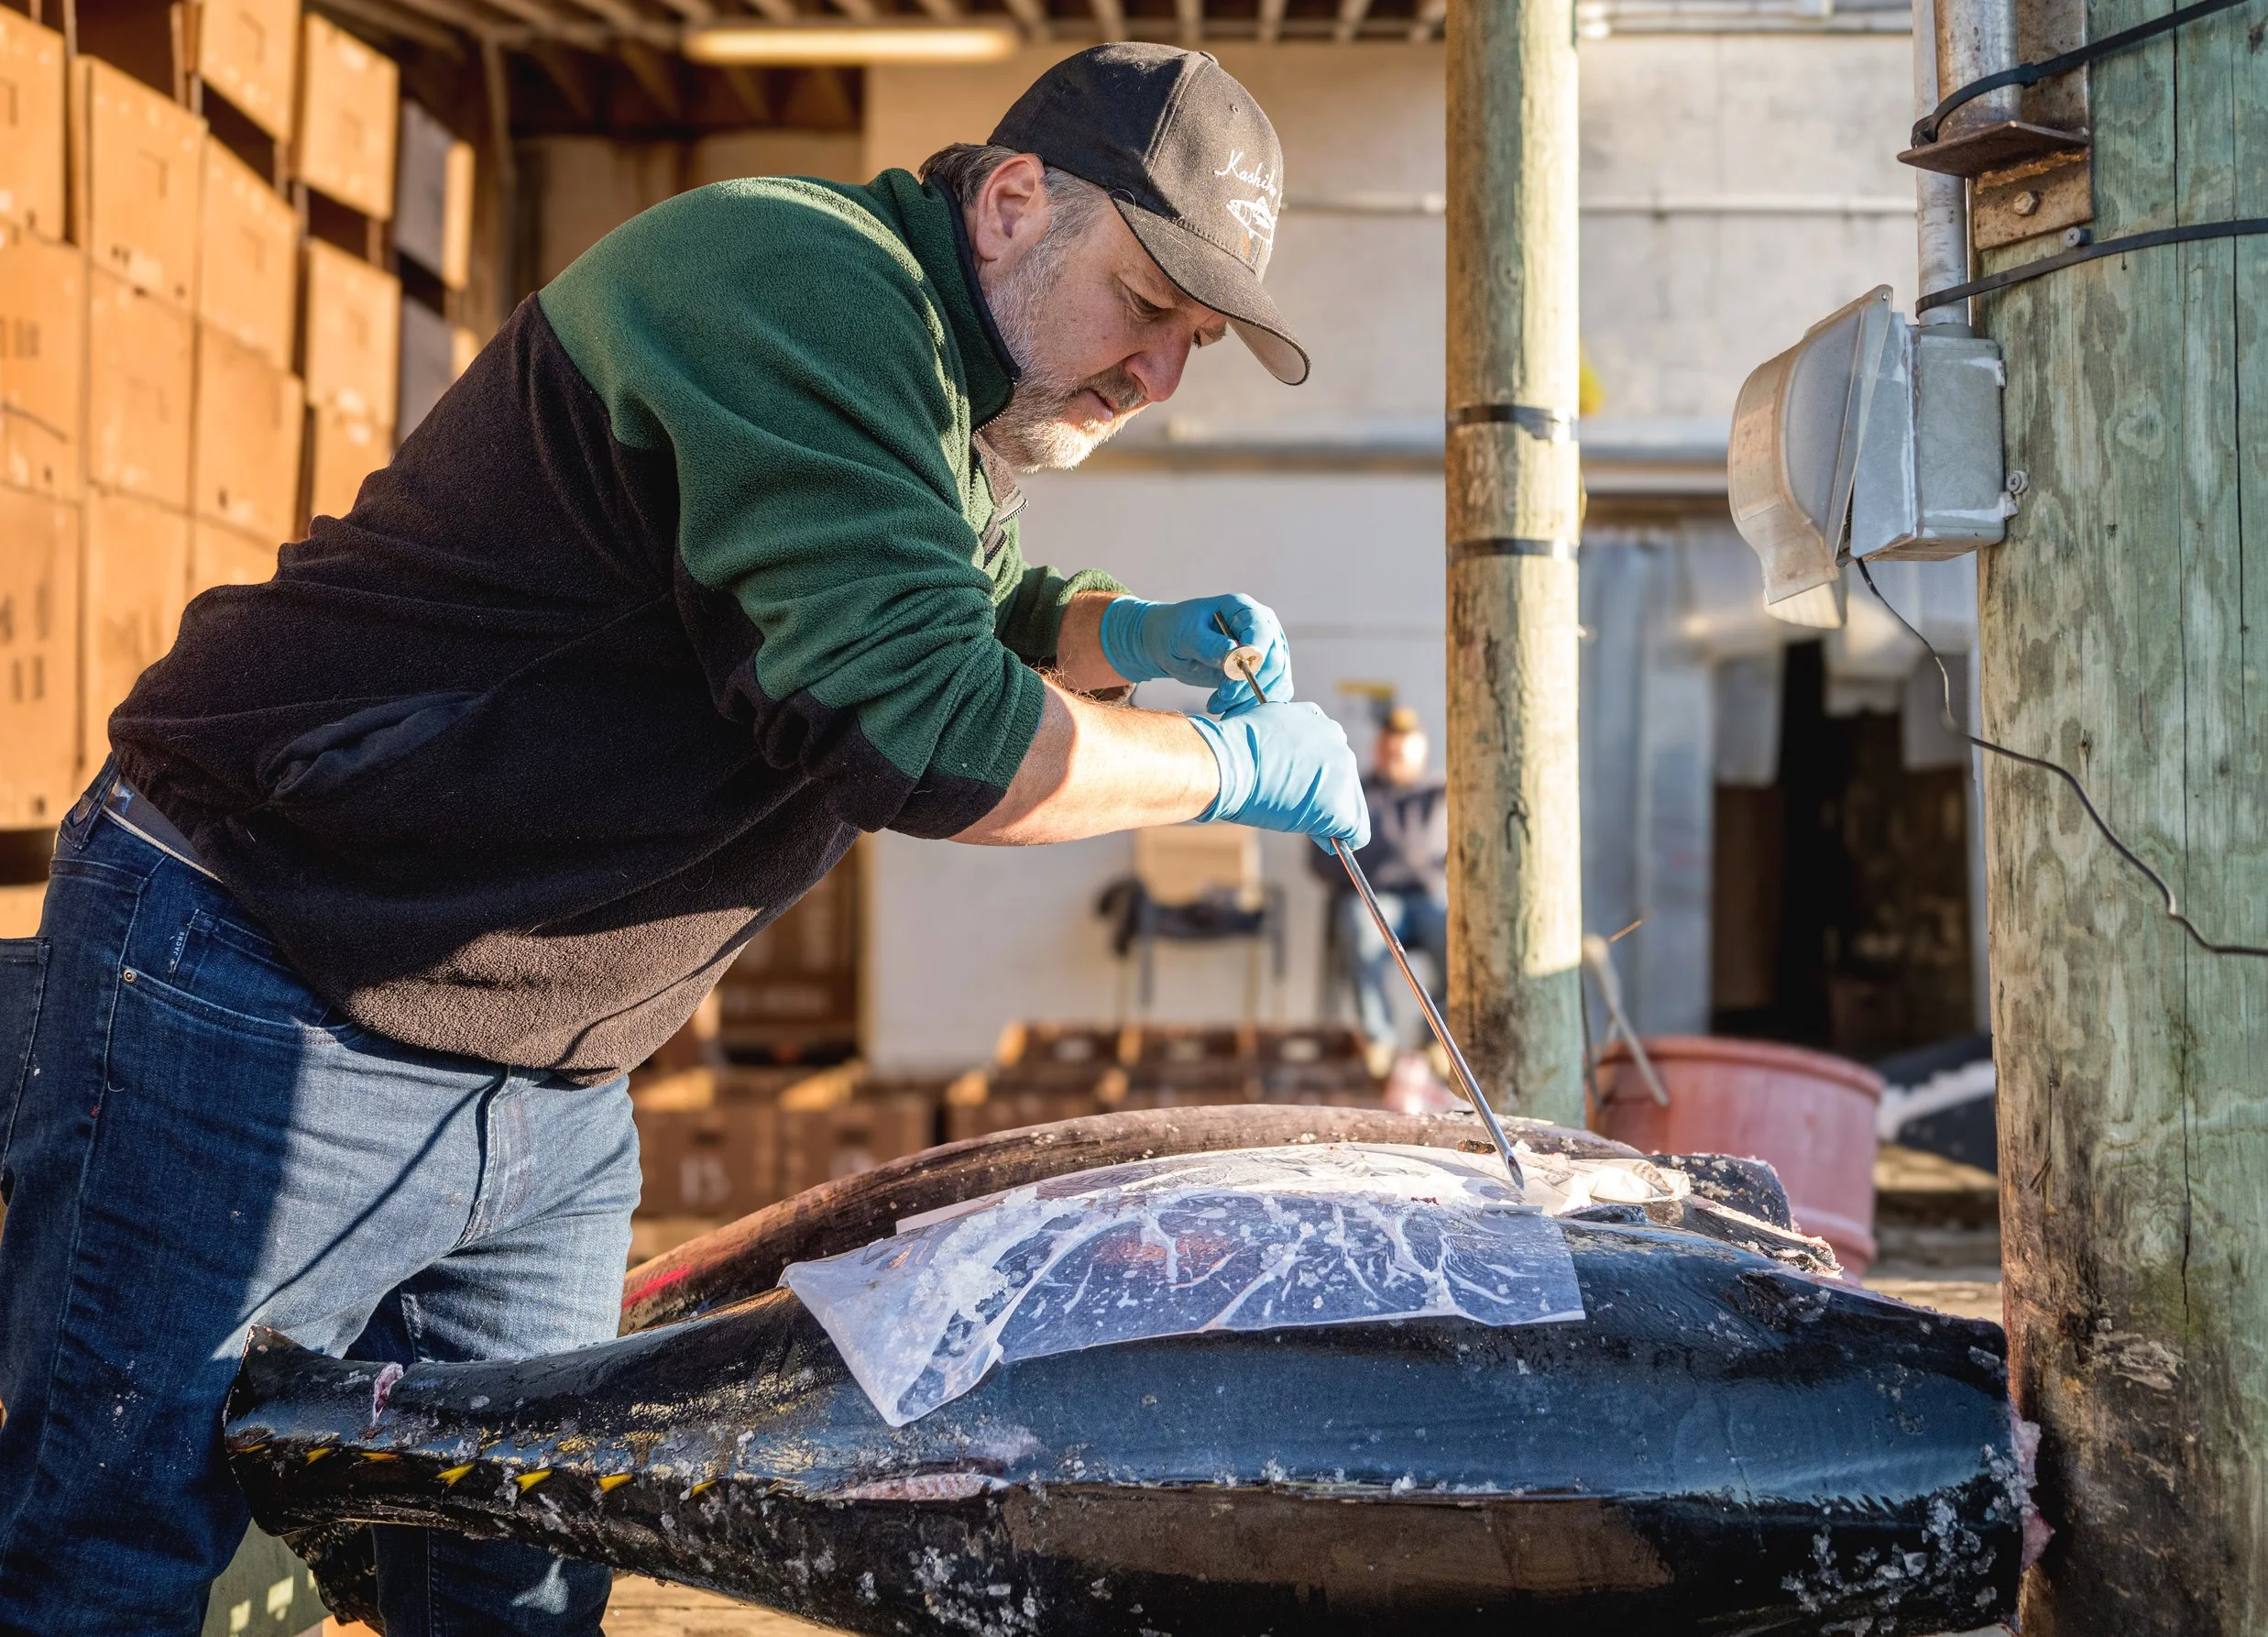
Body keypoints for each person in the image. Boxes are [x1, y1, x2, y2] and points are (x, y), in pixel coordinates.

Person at [0, 46, 1367, 1636]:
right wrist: (1228, 769)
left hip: (546, 1075)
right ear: (1012, 203)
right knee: (111, 1559)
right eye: (1146, 306)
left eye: (1194, 339)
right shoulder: (802, 281)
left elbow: (949, 601)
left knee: (515, 1590)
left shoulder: (943, 381)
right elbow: (925, 724)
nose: (1158, 378)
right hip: (268, 968)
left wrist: (1116, 630)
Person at [1314, 705, 1447, 1070]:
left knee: (1458, 932)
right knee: (1360, 923)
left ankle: (1437, 1038)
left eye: (1404, 748)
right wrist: (1404, 865)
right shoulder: (1352, 793)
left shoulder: (1440, 795)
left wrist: (1391, 863)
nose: (1396, 756)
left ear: (1422, 750)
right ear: (1378, 749)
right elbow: (1323, 858)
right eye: (1390, 748)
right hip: (1375, 902)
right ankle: (1379, 1039)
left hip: (1429, 901)